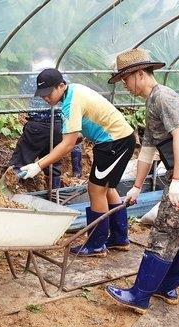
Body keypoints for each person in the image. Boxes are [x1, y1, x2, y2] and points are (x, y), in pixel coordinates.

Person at [105, 49, 179, 313]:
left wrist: (178, 180)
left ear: (139, 74)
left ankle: (140, 296)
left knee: (166, 232)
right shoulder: (153, 101)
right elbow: (148, 151)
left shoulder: (163, 97)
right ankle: (167, 288)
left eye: (126, 79)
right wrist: (138, 186)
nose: (125, 86)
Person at [19, 68, 135, 257]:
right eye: (42, 94)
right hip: (118, 140)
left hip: (113, 143)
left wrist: (38, 165)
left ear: (61, 85)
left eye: (49, 93)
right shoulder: (73, 92)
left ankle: (97, 244)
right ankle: (119, 238)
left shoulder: (71, 101)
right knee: (107, 189)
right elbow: (78, 133)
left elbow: (68, 144)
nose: (45, 98)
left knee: (96, 190)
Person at [9, 48, 82, 189]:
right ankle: (54, 197)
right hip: (60, 126)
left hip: (38, 126)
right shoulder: (63, 76)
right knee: (53, 161)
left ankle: (5, 193)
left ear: (35, 59)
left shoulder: (33, 76)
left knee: (20, 161)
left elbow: (23, 95)